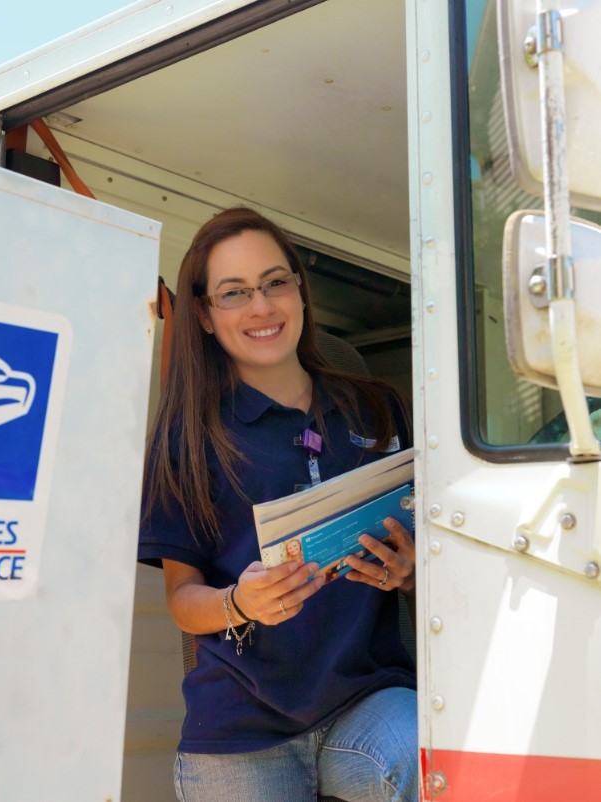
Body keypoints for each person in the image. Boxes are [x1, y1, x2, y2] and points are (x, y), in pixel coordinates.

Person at [139, 207, 417, 802]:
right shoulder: (187, 435)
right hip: (241, 734)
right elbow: (185, 604)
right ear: (206, 317)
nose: (261, 307)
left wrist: (412, 573)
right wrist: (242, 601)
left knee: (439, 758)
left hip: (368, 702)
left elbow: (446, 553)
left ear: (300, 291)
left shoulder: (378, 408)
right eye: (234, 293)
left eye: (274, 282)